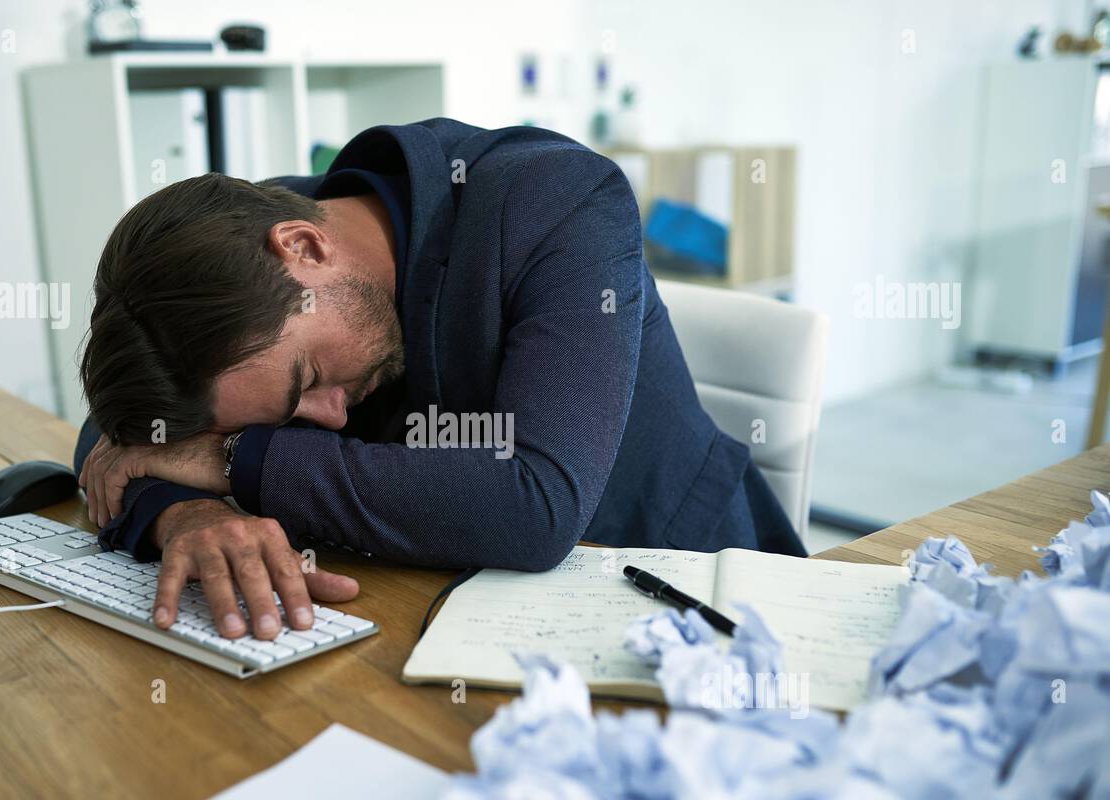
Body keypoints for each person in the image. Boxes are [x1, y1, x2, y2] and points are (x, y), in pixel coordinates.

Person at [74, 118, 804, 642]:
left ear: (304, 248)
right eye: (276, 413)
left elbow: (535, 504)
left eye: (311, 378)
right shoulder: (244, 256)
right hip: (433, 612)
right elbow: (116, 440)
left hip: (679, 594)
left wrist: (233, 458)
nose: (324, 418)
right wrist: (190, 515)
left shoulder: (560, 201)